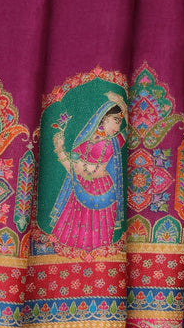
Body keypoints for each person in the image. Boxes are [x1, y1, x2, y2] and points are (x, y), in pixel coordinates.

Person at [49, 91, 127, 251]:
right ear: (104, 118)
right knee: (73, 230)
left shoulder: (115, 141)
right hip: (79, 189)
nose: (118, 126)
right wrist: (59, 150)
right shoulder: (83, 141)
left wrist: (122, 104)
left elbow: (128, 129)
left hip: (104, 190)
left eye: (119, 122)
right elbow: (73, 169)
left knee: (101, 233)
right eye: (116, 120)